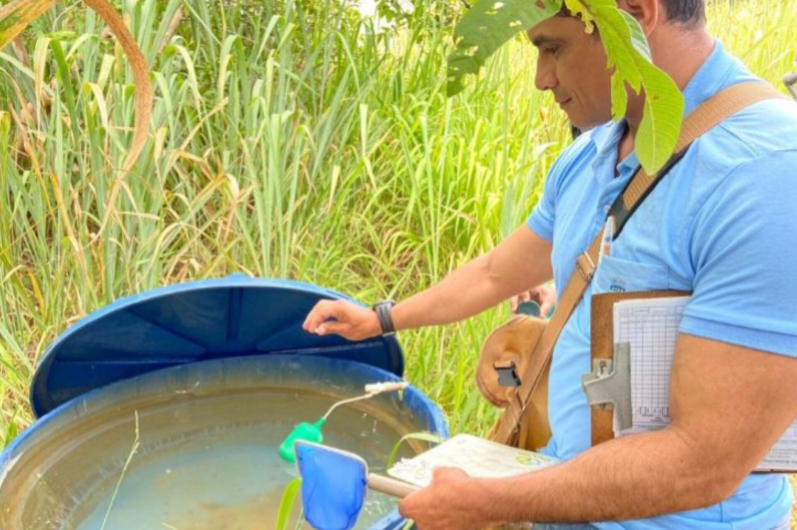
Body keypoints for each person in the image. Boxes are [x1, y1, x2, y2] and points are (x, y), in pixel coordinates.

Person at [302, 0, 797, 528]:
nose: (540, 79)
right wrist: (381, 319)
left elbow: (705, 462)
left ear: (632, 13)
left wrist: (490, 503)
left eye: (552, 48)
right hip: (565, 491)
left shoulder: (765, 177)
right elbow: (496, 272)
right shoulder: (594, 150)